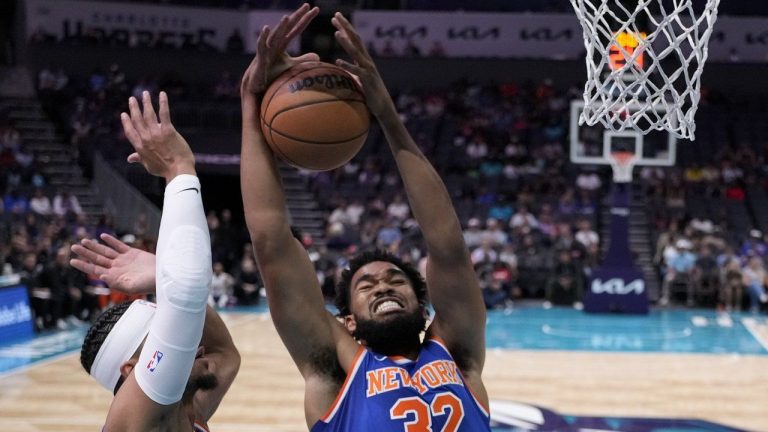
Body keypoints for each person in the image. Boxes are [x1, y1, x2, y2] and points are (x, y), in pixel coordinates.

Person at [240, 5, 490, 430]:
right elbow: (271, 241)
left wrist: (388, 117)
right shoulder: (333, 372)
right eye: (368, 285)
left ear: (423, 303)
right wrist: (251, 105)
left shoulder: (458, 354)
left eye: (396, 280)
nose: (385, 285)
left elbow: (446, 244)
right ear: (348, 321)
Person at [70, 92, 240, 431]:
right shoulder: (138, 422)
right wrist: (179, 169)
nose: (197, 343)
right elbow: (187, 292)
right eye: (168, 335)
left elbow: (225, 355)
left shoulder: (185, 414)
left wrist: (162, 279)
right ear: (132, 371)